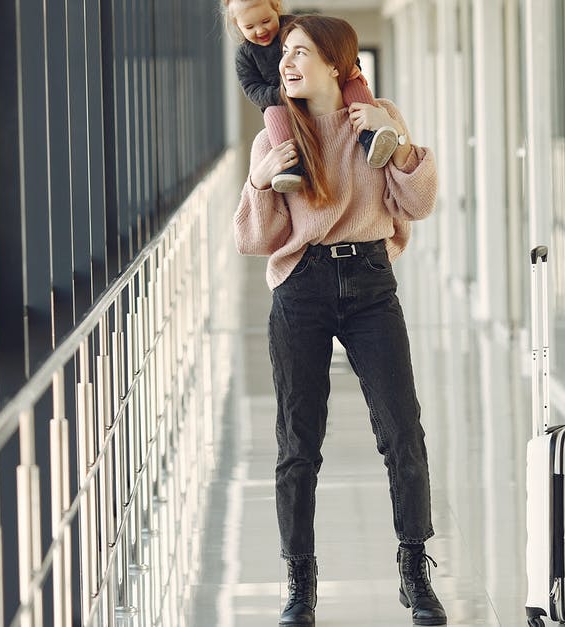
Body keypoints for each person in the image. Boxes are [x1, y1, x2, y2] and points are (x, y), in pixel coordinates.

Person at [233, 14, 447, 627]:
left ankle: (414, 569)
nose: (287, 63)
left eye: (301, 52)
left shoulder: (377, 119)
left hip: (371, 283)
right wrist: (260, 180)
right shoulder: (276, 138)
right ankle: (300, 584)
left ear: (337, 63)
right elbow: (256, 236)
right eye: (285, 54)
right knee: (298, 443)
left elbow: (420, 202)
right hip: (300, 287)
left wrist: (398, 145)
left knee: (402, 429)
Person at [223, 0, 400, 193]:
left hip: (321, 86)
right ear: (237, 26)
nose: (260, 30)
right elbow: (252, 89)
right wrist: (281, 94)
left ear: (277, 9)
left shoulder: (298, 28)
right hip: (280, 101)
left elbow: (334, 43)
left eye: (266, 21)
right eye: (249, 27)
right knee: (272, 114)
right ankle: (292, 167)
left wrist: (351, 65)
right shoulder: (244, 55)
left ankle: (371, 135)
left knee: (354, 83)